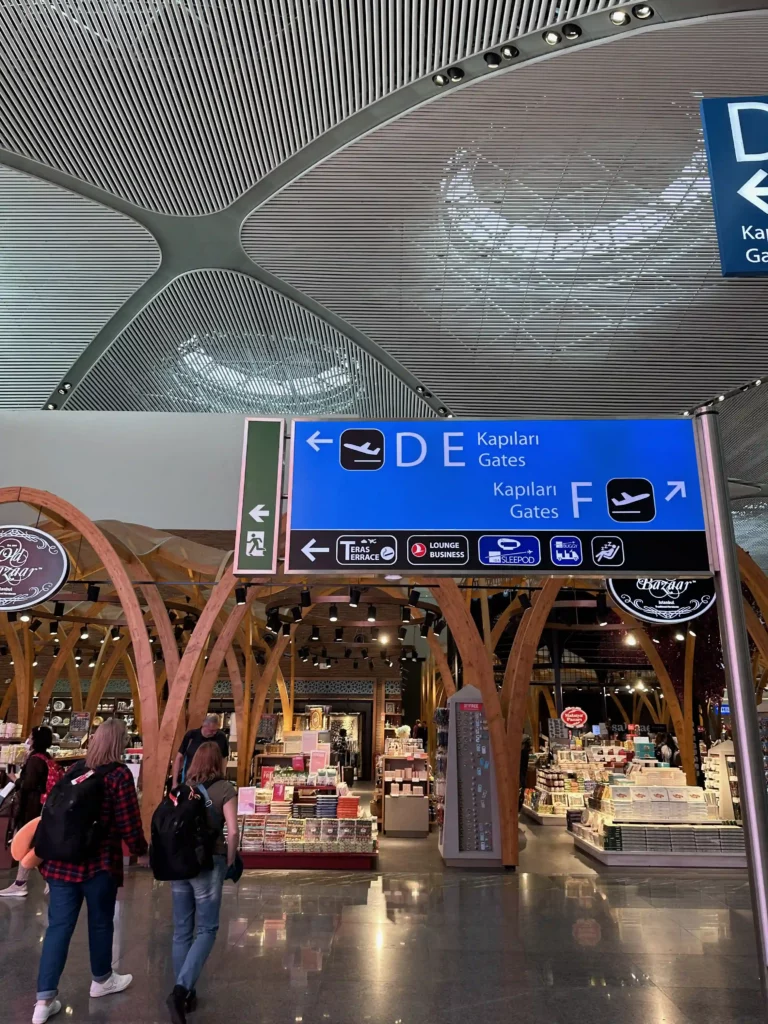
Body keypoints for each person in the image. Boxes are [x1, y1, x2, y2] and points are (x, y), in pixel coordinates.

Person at [32, 718, 148, 1024]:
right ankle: (101, 979)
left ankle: (43, 1001)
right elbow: (128, 823)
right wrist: (141, 850)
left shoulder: (76, 770)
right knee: (100, 923)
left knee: (58, 928)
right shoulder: (119, 775)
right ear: (120, 743)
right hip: (99, 864)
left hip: (60, 864)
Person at [167, 741, 237, 1024]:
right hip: (208, 863)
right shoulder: (224, 788)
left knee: (182, 929)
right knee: (207, 928)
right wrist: (231, 860)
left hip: (179, 865)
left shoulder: (180, 790)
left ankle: (187, 993)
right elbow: (232, 832)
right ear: (219, 761)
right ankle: (181, 990)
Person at [1, 725, 58, 898]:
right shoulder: (47, 758)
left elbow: (29, 785)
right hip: (41, 808)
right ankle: (23, 882)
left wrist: (15, 780)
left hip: (30, 810)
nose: (29, 739)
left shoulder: (35, 760)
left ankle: (36, 882)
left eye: (31, 736)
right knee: (31, 846)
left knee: (27, 845)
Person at [172, 714, 229, 788]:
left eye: (216, 730)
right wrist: (174, 782)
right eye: (211, 730)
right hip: (190, 780)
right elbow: (179, 758)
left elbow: (224, 758)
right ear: (204, 726)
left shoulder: (221, 737)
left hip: (212, 781)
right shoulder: (191, 735)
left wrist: (222, 777)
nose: (214, 733)